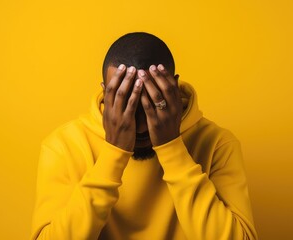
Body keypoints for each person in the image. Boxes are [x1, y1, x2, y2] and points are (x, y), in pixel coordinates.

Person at [31, 32, 258, 240]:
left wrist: (171, 148)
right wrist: (113, 153)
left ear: (173, 89)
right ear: (106, 91)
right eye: (124, 101)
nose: (139, 127)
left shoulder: (218, 144)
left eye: (152, 101)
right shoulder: (63, 146)